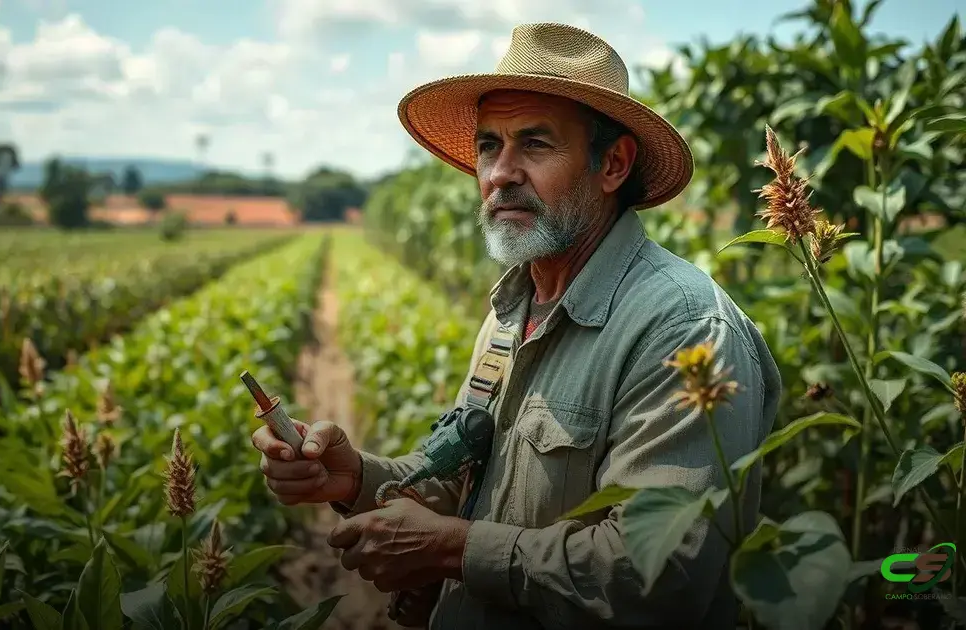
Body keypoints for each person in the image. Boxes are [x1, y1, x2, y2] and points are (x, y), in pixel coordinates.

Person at [251, 22, 782, 630]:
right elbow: (468, 486)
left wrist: (452, 549)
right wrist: (354, 478)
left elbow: (658, 577)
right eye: (488, 147)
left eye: (534, 144)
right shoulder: (514, 308)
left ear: (612, 163)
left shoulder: (683, 333)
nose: (500, 173)